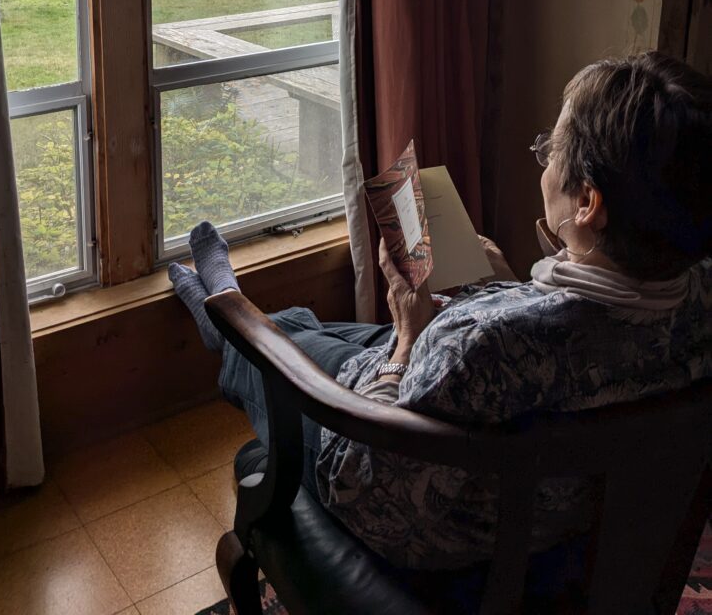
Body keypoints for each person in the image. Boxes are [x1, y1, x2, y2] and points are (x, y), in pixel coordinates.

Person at [169, 51, 712, 570]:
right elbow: (578, 350)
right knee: (292, 327)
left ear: (589, 203)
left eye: (552, 147)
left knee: (267, 347)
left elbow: (354, 477)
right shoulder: (700, 300)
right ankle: (238, 320)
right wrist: (508, 286)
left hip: (443, 531)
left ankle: (226, 323)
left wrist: (408, 337)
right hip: (576, 516)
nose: (545, 161)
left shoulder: (482, 347)